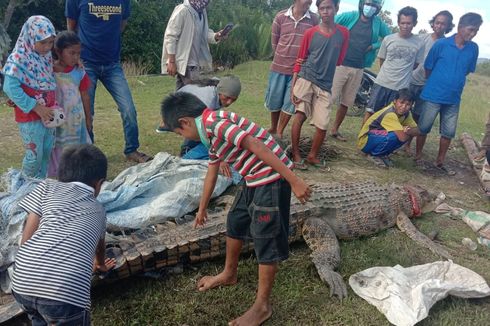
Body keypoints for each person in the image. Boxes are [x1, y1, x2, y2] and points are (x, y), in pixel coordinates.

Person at [161, 92, 311, 326]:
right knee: (236, 221)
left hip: (271, 178)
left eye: (180, 133)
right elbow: (212, 172)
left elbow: (256, 145)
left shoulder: (216, 124)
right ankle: (229, 274)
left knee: (265, 236)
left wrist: (293, 180)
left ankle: (262, 307)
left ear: (185, 122)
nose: (183, 137)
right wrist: (201, 209)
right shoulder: (209, 134)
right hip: (252, 178)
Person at [11, 144, 115, 325]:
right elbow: (100, 247)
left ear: (59, 174)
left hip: (21, 282)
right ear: (99, 184)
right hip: (64, 295)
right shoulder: (99, 210)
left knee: (38, 318)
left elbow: (27, 236)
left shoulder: (46, 187)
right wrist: (99, 264)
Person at [66, 0, 152, 163]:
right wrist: (75, 57)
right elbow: (71, 27)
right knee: (87, 112)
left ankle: (131, 150)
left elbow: (122, 24)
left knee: (129, 109)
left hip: (112, 64)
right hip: (86, 63)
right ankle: (88, 153)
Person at [414, 13, 482, 174]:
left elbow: (467, 70)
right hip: (433, 95)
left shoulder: (474, 48)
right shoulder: (441, 44)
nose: (472, 34)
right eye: (470, 30)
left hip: (453, 98)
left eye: (476, 31)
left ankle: (440, 161)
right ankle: (417, 157)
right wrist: (438, 82)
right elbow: (428, 68)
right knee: (423, 127)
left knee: (448, 132)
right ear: (460, 27)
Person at [290, 0, 349, 170]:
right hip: (306, 79)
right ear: (318, 10)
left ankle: (312, 156)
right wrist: (294, 86)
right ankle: (296, 154)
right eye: (321, 8)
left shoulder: (343, 33)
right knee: (300, 116)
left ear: (336, 9)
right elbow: (300, 59)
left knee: (322, 124)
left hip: (325, 85)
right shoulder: (310, 33)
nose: (325, 11)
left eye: (329, 8)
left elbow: (339, 59)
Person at [158, 0, 228, 133]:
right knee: (196, 94)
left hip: (196, 60)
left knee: (181, 93)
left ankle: (166, 122)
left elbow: (205, 33)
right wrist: (171, 61)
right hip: (184, 60)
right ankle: (195, 124)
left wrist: (217, 36)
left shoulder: (201, 11)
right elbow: (170, 36)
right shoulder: (182, 10)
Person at [1, 16, 57, 178]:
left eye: (50, 42)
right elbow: (10, 87)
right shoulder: (18, 58)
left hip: (48, 115)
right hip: (30, 116)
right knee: (34, 156)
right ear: (31, 37)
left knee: (47, 151)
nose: (47, 47)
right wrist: (36, 106)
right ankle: (23, 188)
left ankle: (39, 188)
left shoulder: (45, 57)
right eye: (43, 42)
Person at [329, 0, 390, 141]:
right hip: (341, 65)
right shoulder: (350, 16)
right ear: (362, 4)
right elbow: (331, 23)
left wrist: (374, 45)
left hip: (359, 67)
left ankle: (335, 129)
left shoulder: (378, 23)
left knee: (347, 101)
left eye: (374, 5)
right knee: (330, 98)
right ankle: (321, 127)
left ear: (378, 8)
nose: (370, 7)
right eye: (368, 3)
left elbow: (388, 38)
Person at [265, 0, 319, 138]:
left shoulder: (313, 19)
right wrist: (282, 56)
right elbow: (275, 41)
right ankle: (273, 127)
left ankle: (280, 131)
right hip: (278, 67)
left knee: (290, 102)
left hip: (299, 71)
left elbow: (314, 43)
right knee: (274, 99)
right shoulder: (280, 16)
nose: (309, 1)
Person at [363, 6, 424, 123]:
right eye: (403, 23)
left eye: (409, 23)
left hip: (401, 88)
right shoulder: (388, 39)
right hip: (382, 83)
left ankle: (383, 141)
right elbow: (382, 60)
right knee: (371, 112)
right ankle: (363, 139)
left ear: (414, 23)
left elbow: (415, 64)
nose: (405, 26)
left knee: (392, 117)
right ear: (398, 23)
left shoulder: (419, 43)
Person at [48, 31, 92, 177]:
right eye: (71, 53)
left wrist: (88, 118)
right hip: (57, 120)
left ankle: (76, 172)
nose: (75, 57)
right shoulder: (48, 71)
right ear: (58, 52)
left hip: (75, 121)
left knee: (76, 148)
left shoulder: (79, 71)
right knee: (58, 146)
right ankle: (58, 172)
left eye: (78, 54)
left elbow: (85, 95)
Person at [179, 75, 242, 162]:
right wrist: (218, 158)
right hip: (179, 109)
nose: (229, 102)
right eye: (227, 97)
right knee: (204, 133)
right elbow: (201, 129)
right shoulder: (208, 101)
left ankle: (189, 150)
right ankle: (186, 152)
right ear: (219, 91)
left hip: (191, 109)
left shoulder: (219, 85)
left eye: (233, 100)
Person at [358, 88, 420, 168]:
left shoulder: (407, 114)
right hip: (365, 141)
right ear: (395, 101)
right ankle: (374, 155)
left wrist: (406, 130)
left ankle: (382, 154)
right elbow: (403, 138)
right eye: (401, 102)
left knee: (398, 135)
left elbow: (417, 131)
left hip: (377, 136)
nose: (404, 106)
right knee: (394, 136)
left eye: (408, 104)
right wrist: (406, 130)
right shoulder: (390, 113)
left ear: (411, 105)